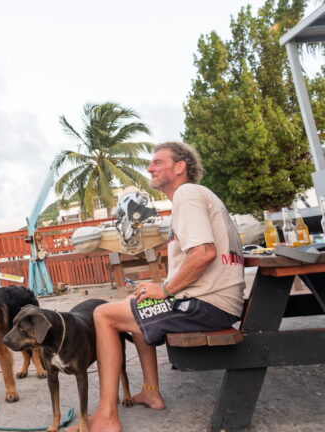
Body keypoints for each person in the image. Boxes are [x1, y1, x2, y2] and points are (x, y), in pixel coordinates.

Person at [70, 141, 245, 432]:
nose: (150, 167)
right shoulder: (190, 199)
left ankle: (106, 416)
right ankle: (151, 390)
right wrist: (159, 286)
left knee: (104, 315)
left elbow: (203, 253)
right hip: (209, 300)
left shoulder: (187, 194)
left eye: (158, 162)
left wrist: (165, 291)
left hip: (207, 304)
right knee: (136, 305)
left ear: (180, 167)